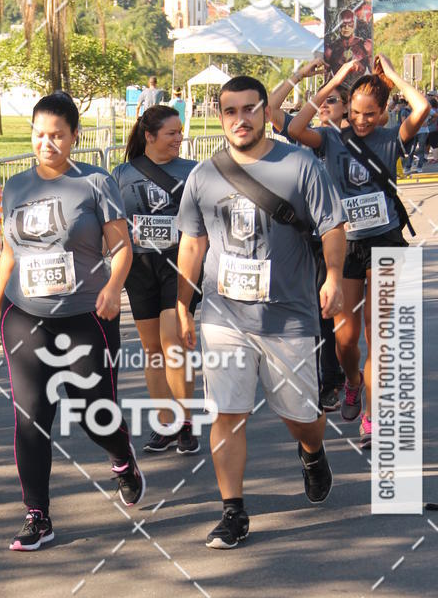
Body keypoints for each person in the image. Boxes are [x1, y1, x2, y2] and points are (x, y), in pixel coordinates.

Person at [176, 75, 346, 550]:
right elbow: (193, 243)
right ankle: (233, 512)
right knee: (227, 414)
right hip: (223, 317)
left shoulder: (299, 163)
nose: (240, 119)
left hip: (288, 317)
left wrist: (333, 275)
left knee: (301, 418)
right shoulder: (204, 175)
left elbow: (333, 226)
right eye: (230, 111)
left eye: (250, 109)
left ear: (265, 112)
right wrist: (182, 302)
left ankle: (312, 452)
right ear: (219, 115)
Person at [0, 91, 145, 552]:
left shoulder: (96, 183)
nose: (47, 143)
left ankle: (121, 458)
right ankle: (37, 514)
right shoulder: (16, 184)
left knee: (93, 412)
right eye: (39, 134)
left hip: (86, 316)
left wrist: (112, 288)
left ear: (74, 137)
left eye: (57, 135)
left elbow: (121, 248)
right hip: (26, 317)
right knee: (31, 416)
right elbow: (9, 252)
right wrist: (0, 301)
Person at [288, 55, 429, 449]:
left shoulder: (391, 138)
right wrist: (335, 81)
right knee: (346, 339)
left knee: (380, 337)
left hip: (386, 242)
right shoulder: (331, 137)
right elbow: (296, 126)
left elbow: (422, 108)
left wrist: (394, 76)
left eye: (370, 114)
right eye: (355, 112)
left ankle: (373, 416)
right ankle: (352, 381)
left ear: (383, 112)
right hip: (345, 247)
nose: (362, 120)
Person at [112, 105, 201, 454]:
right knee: (151, 349)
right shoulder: (121, 173)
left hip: (179, 265)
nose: (179, 139)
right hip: (140, 266)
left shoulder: (193, 172)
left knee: (173, 340)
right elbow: (112, 221)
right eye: (172, 133)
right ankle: (166, 423)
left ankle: (185, 421)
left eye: (180, 132)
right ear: (149, 136)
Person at [268, 61, 347, 412]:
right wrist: (300, 76)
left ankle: (350, 380)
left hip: (358, 238)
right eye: (322, 100)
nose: (325, 104)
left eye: (332, 100)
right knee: (317, 311)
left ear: (347, 106)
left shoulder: (358, 137)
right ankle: (327, 381)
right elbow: (271, 111)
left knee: (352, 324)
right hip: (313, 238)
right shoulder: (313, 139)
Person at [324, 10, 370, 76]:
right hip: (338, 85)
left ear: (354, 24)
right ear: (339, 25)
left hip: (360, 84)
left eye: (350, 23)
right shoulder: (330, 50)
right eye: (343, 24)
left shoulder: (366, 46)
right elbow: (326, 75)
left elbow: (373, 72)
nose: (346, 27)